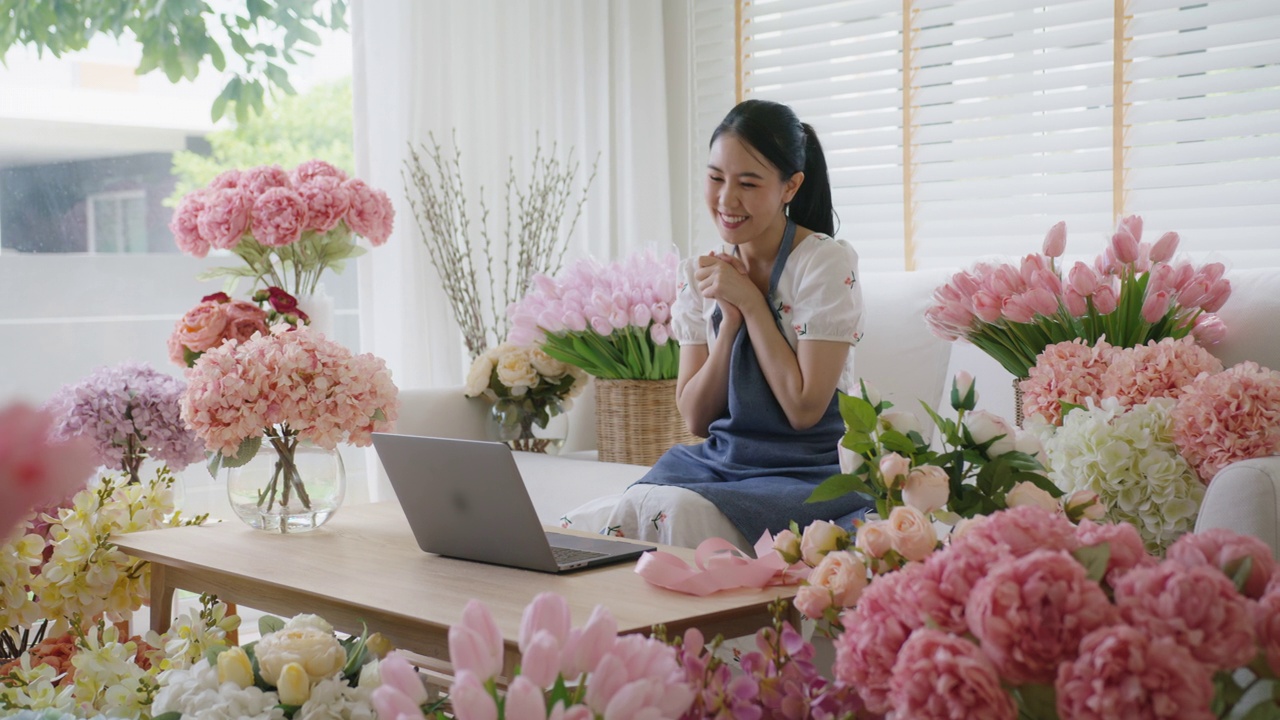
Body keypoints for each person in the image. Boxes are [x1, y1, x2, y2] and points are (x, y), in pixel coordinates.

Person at [563, 99, 871, 553]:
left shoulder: (823, 262)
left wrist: (751, 302)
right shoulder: (699, 274)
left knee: (670, 514)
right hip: (722, 461)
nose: (726, 199)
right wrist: (728, 324)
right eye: (715, 178)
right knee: (587, 523)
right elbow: (696, 417)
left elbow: (805, 409)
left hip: (807, 471)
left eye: (748, 183)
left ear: (791, 187)